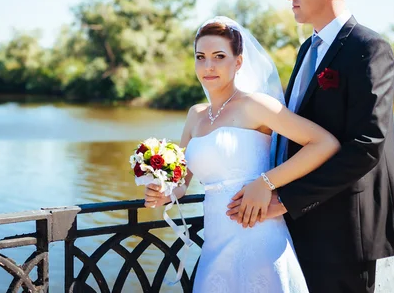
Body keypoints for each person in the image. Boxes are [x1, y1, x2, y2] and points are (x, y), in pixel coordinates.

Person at [227, 0, 394, 293]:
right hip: (298, 219)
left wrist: (286, 199)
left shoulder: (368, 48)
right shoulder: (307, 49)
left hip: (343, 227)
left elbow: (367, 145)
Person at [144, 16, 340, 292]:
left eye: (219, 56)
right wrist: (164, 193)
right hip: (215, 242)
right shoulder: (195, 115)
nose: (208, 66)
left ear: (238, 62)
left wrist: (266, 182)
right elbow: (182, 183)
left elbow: (324, 143)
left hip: (259, 235)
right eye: (200, 57)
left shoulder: (255, 105)